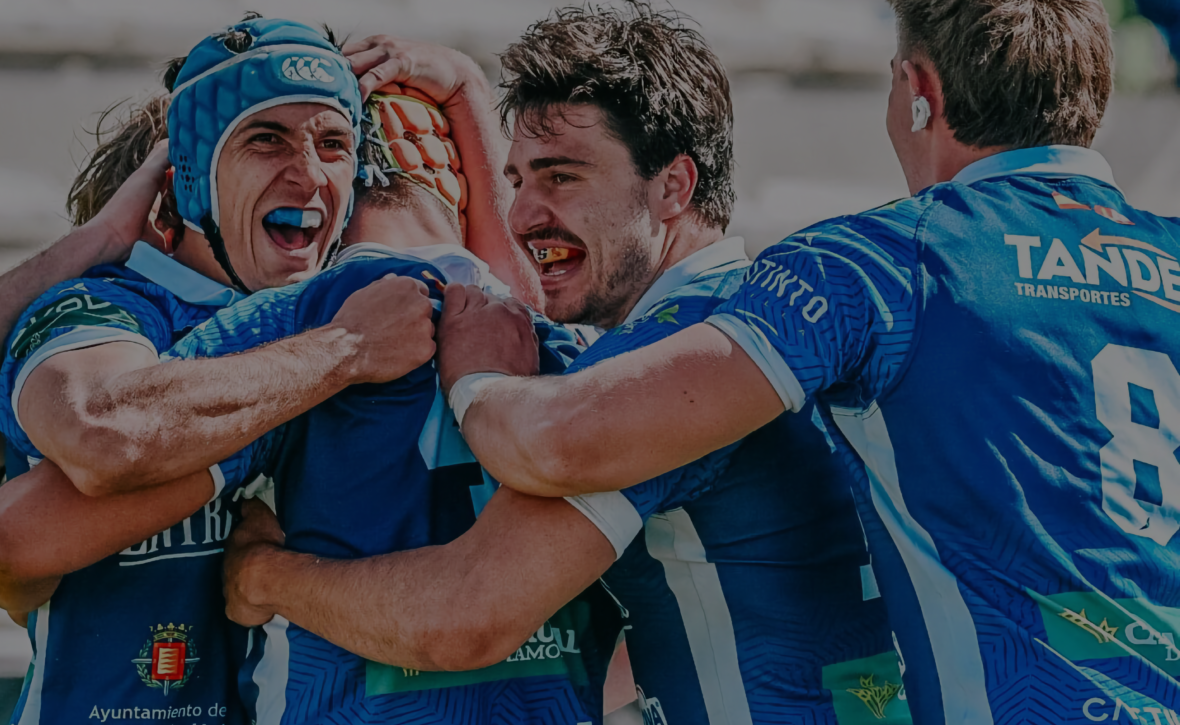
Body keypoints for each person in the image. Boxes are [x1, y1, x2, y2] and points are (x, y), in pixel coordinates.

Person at [421, 0, 1180, 721]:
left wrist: (475, 373)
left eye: (560, 175)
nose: (529, 209)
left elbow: (535, 490)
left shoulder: (880, 265)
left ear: (917, 89)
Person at [218, 9, 909, 723]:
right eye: (518, 181)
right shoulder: (779, 318)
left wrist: (265, 575)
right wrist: (467, 93)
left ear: (674, 186)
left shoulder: (664, 357)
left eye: (562, 176)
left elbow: (465, 617)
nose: (523, 215)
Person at [0, 17, 447, 725]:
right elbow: (93, 438)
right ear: (190, 180)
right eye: (265, 138)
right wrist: (341, 352)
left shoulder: (360, 323)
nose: (308, 173)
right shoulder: (105, 307)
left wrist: (467, 91)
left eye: (334, 144)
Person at [153, 59, 618, 724]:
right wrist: (467, 90)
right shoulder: (590, 353)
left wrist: (259, 574)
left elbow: (109, 444)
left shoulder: (291, 326)